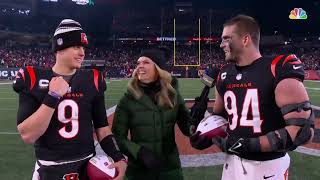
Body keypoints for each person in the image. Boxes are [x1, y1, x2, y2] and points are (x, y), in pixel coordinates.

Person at [190, 15, 314, 180]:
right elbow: (220, 116)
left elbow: (302, 131)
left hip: (267, 167)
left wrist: (247, 145)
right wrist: (206, 135)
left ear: (245, 39)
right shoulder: (225, 73)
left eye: (227, 39)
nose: (221, 44)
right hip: (231, 163)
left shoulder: (276, 68)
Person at [13, 19, 127, 180]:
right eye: (76, 47)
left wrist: (118, 157)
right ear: (59, 48)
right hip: (50, 169)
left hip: (86, 167)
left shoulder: (93, 79)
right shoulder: (32, 78)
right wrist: (53, 96)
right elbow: (28, 135)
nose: (82, 53)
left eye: (83, 47)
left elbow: (102, 128)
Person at [112, 48, 197, 180]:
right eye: (138, 63)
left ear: (158, 68)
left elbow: (188, 128)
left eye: (146, 62)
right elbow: (118, 136)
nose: (140, 66)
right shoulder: (127, 99)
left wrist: (197, 118)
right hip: (139, 171)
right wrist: (139, 152)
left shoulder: (173, 95)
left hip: (170, 169)